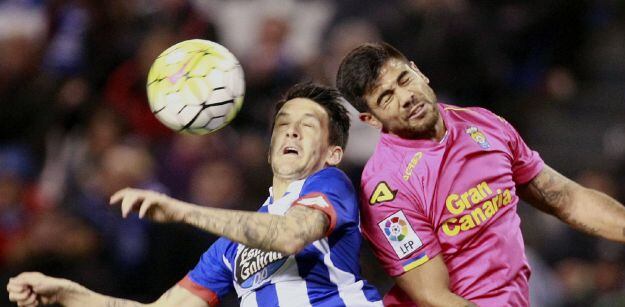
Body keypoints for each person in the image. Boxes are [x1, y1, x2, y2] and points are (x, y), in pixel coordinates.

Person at [335, 42, 625, 306]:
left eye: (404, 79)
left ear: (418, 71)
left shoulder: (485, 125)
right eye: (387, 97)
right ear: (372, 119)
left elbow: (569, 200)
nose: (405, 97)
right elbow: (432, 296)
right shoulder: (386, 188)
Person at [7, 83, 383, 307]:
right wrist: (69, 296)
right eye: (283, 125)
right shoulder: (230, 249)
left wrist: (182, 210)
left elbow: (290, 234)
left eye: (308, 126)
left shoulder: (330, 184)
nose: (292, 133)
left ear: (333, 152)